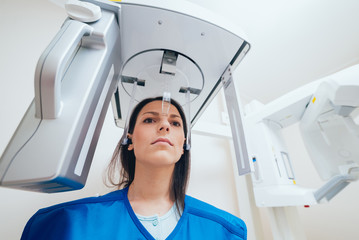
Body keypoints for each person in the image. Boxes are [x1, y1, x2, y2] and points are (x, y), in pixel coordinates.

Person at [20, 96, 247, 240]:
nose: (164, 126)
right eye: (150, 120)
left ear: (183, 146)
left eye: (175, 123)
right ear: (129, 139)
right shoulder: (64, 224)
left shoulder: (226, 231)